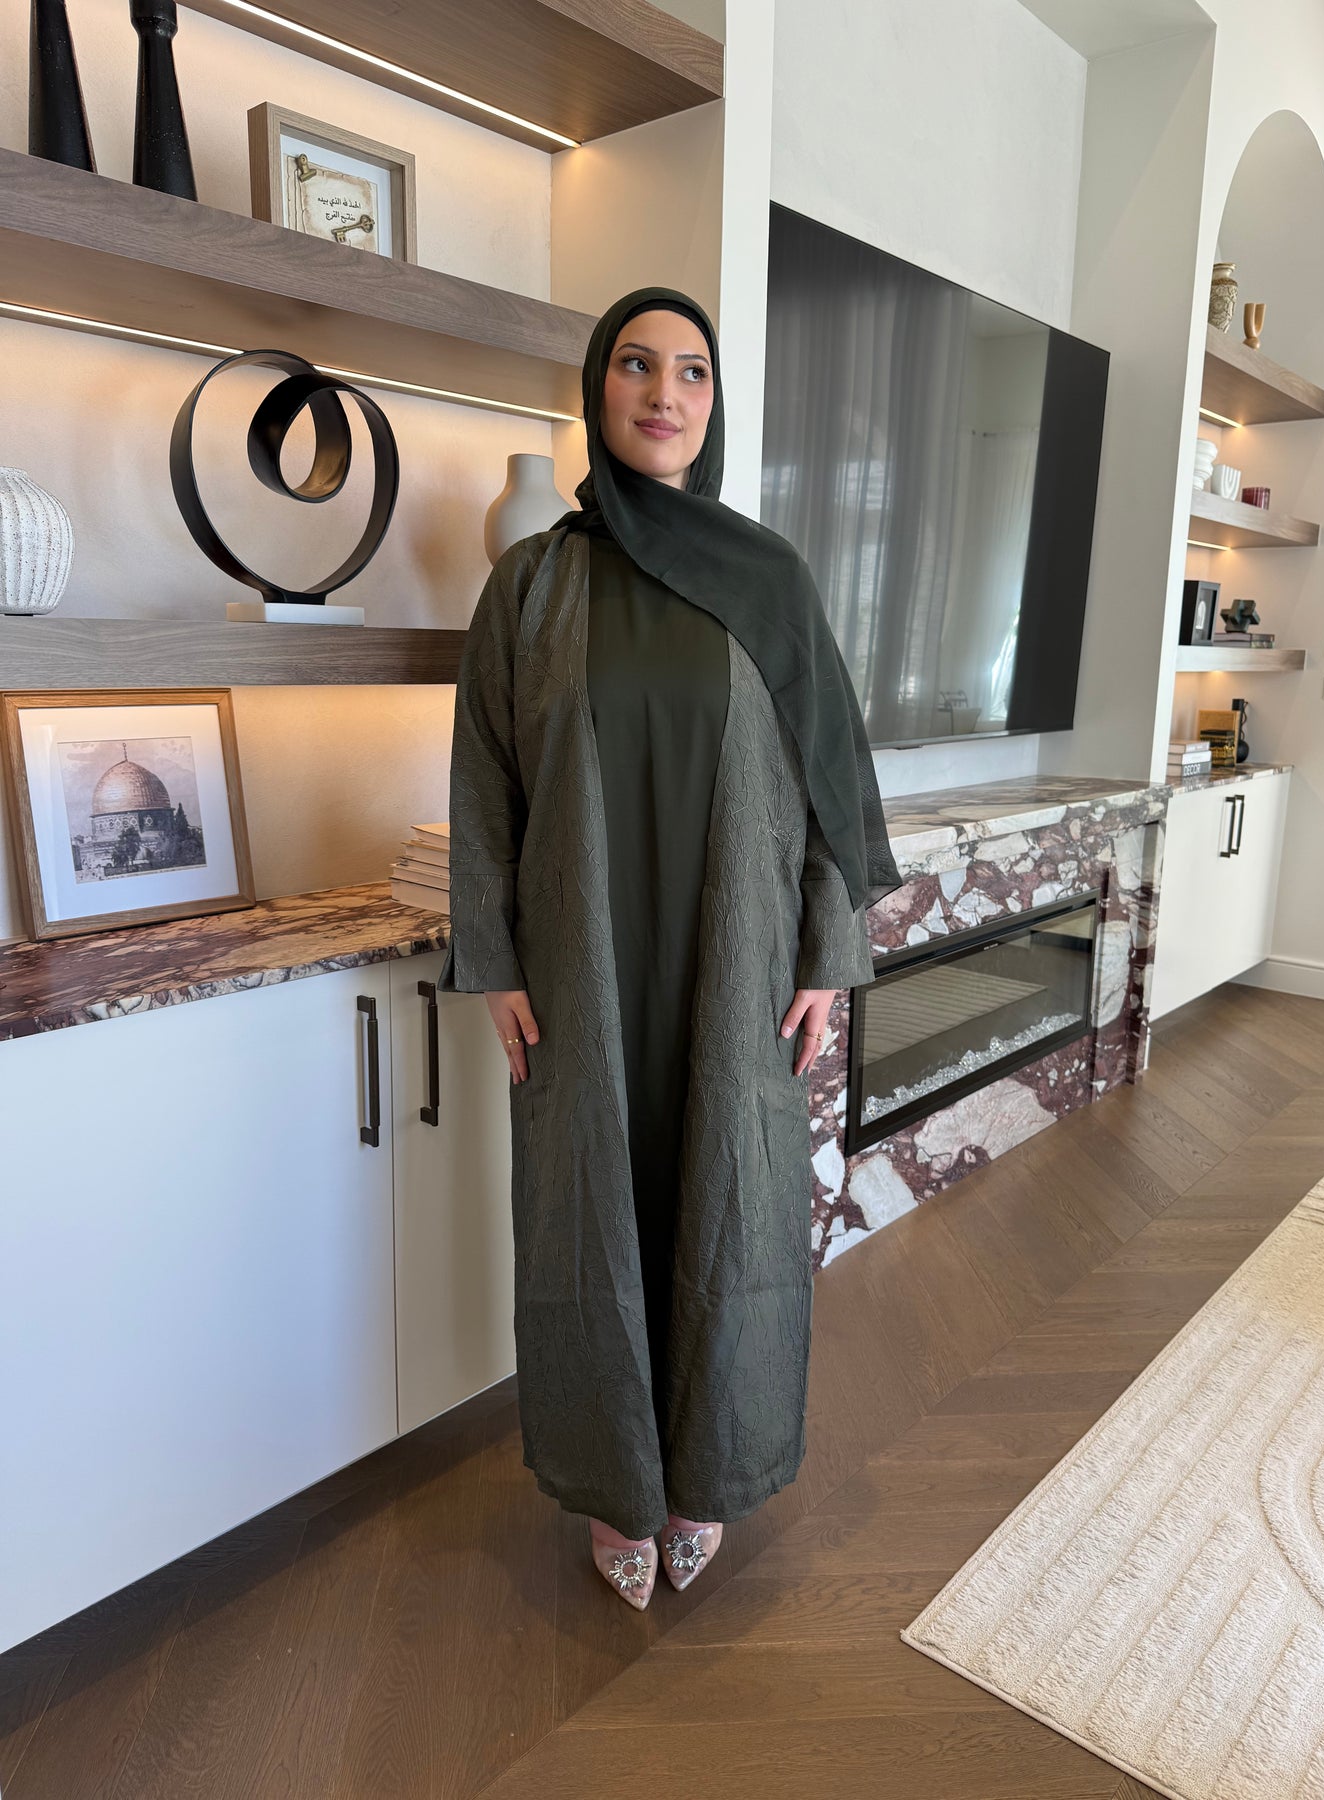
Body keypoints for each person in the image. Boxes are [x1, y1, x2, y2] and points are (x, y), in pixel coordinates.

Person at [440, 285, 902, 1610]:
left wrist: (822, 951)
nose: (664, 392)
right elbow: (483, 785)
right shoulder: (532, 583)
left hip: (734, 961)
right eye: (636, 365)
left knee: (730, 1204)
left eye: (691, 371)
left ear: (714, 403)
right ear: (596, 390)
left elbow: (827, 779)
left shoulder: (769, 579)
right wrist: (496, 961)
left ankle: (706, 1472)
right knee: (590, 1212)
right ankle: (613, 1483)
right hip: (581, 967)